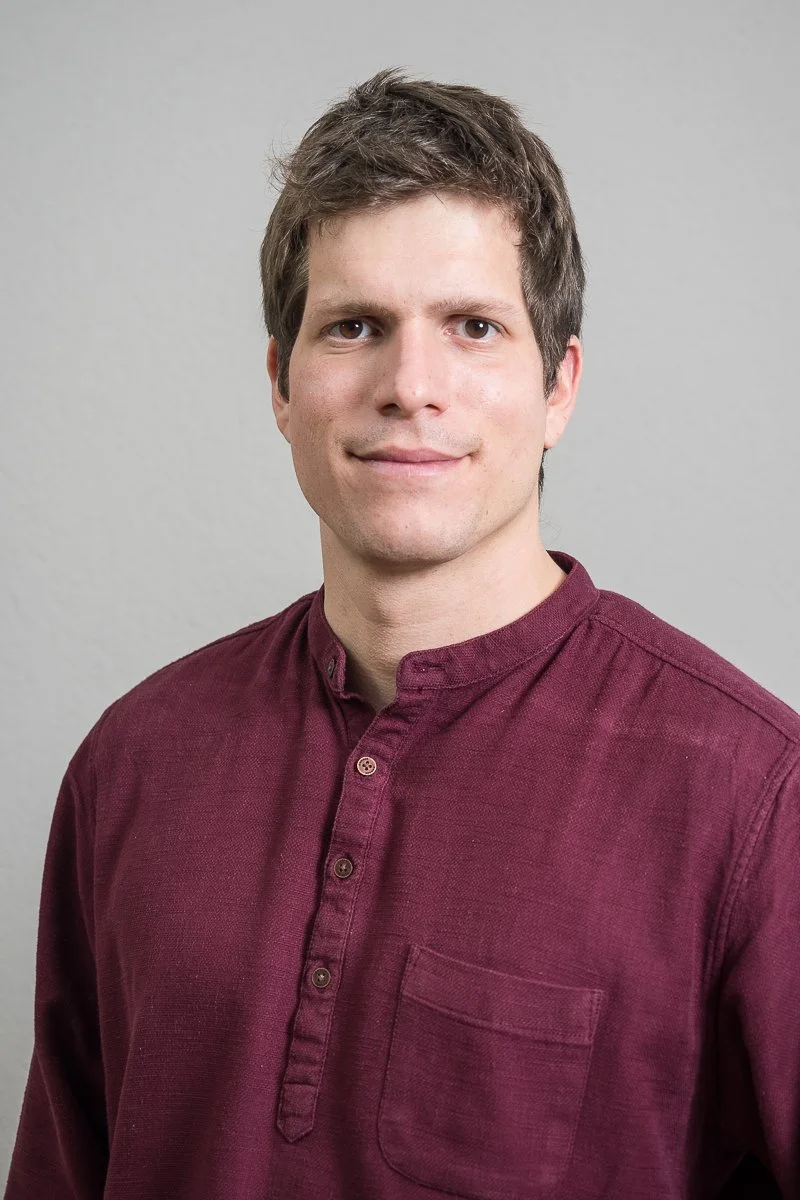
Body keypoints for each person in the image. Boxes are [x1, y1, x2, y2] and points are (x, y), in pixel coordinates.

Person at [5, 67, 798, 1200]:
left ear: (558, 386)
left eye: (473, 327)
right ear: (281, 384)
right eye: (354, 326)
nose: (410, 386)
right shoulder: (131, 763)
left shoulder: (752, 796)